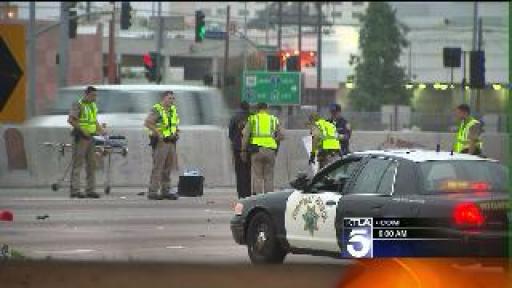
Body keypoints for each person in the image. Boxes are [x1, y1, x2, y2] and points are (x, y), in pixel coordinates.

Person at [68, 86, 105, 199]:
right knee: (78, 164)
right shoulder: (78, 104)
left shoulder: (93, 105)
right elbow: (71, 120)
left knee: (91, 165)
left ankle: (90, 190)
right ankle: (75, 190)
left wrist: (101, 130)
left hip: (91, 138)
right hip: (81, 138)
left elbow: (94, 121)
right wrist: (82, 130)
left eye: (96, 95)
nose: (95, 97)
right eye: (93, 95)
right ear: (86, 94)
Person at [241, 102, 283, 195]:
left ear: (257, 109)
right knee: (269, 177)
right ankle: (269, 199)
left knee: (257, 176)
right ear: (267, 108)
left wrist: (243, 151)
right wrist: (274, 141)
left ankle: (259, 199)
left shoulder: (253, 119)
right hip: (270, 150)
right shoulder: (273, 119)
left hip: (256, 151)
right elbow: (282, 135)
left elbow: (245, 136)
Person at [144, 91, 180, 200]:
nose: (172, 101)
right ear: (163, 98)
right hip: (161, 142)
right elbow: (148, 122)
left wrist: (176, 132)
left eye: (173, 98)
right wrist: (158, 133)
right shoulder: (157, 109)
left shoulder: (172, 110)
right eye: (169, 98)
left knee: (167, 168)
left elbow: (171, 124)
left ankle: (166, 191)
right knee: (158, 168)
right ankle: (153, 191)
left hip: (171, 142)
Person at [228, 101, 252, 199]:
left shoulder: (234, 117)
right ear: (248, 107)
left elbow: (230, 133)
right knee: (249, 171)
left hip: (237, 148)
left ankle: (241, 195)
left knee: (239, 171)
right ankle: (249, 194)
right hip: (250, 148)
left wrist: (235, 141)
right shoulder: (252, 117)